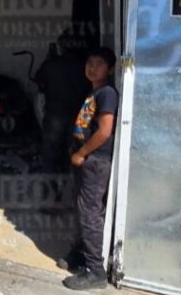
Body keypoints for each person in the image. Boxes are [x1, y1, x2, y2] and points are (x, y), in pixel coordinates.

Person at [60, 47, 119, 291]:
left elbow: (105, 131)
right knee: (81, 208)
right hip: (85, 159)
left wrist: (82, 153)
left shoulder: (107, 93)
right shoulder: (94, 91)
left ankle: (95, 272)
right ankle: (79, 254)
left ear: (111, 69)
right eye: (89, 62)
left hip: (95, 160)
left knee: (90, 214)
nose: (92, 68)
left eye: (99, 64)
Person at [33, 33, 91, 172]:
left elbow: (38, 80)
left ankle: (51, 181)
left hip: (55, 114)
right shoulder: (86, 65)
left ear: (62, 46)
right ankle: (68, 179)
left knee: (50, 151)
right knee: (72, 149)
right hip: (79, 115)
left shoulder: (52, 64)